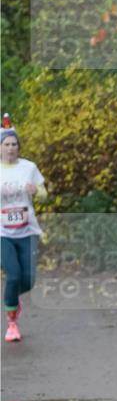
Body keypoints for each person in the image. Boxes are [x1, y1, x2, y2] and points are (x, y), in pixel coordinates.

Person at [1, 114, 47, 343]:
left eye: (14, 144)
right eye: (6, 144)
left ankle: (11, 299)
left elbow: (45, 194)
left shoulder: (29, 167)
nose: (11, 148)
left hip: (27, 230)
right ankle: (11, 323)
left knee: (28, 280)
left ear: (19, 146)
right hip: (2, 233)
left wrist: (36, 191)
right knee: (13, 275)